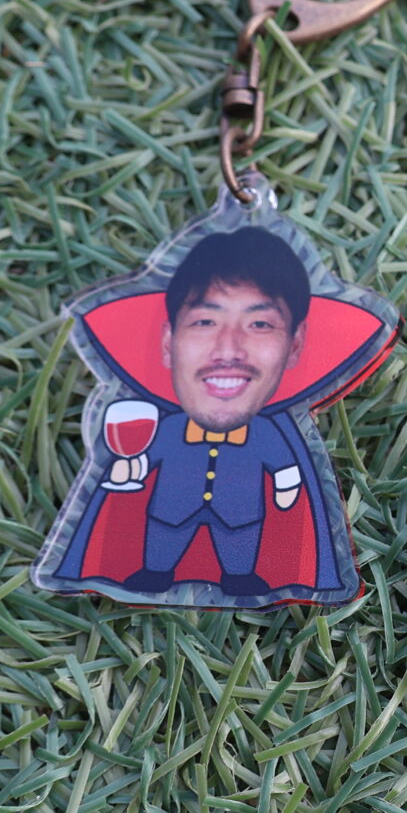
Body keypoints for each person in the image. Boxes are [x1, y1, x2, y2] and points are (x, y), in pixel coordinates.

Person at [92, 228, 314, 597]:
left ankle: (239, 576)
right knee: (163, 542)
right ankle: (156, 570)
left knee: (239, 547)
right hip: (170, 512)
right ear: (168, 342)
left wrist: (286, 487)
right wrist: (131, 468)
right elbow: (142, 459)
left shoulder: (266, 432)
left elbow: (284, 468)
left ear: (295, 345)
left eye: (260, 324)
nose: (228, 350)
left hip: (240, 517)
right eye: (205, 322)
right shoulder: (167, 428)